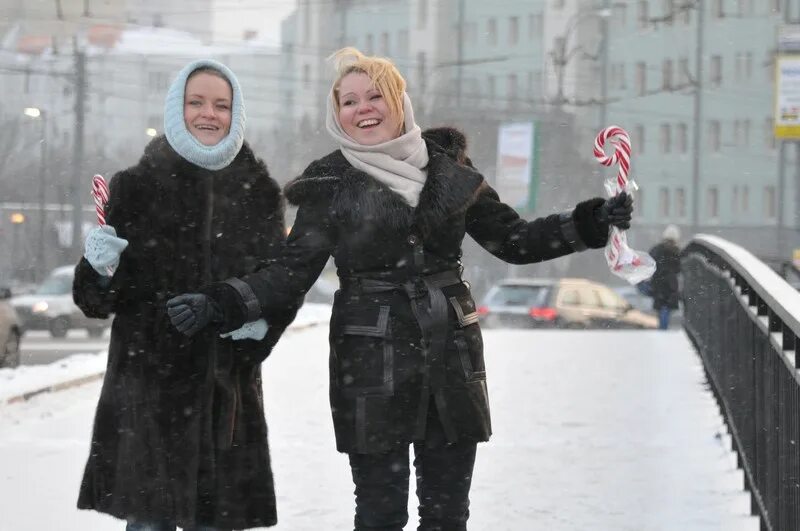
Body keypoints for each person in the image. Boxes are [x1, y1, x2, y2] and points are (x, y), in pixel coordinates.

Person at [166, 47, 634, 531]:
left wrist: (591, 221)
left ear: (398, 101)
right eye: (348, 101)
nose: (362, 109)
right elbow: (289, 272)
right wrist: (219, 302)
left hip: (450, 357)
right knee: (379, 515)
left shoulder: (452, 173)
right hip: (370, 363)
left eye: (374, 96)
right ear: (337, 113)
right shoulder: (328, 184)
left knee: (447, 514)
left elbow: (514, 240)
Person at [73, 59, 296, 530]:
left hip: (225, 393)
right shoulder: (134, 186)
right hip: (147, 393)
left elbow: (280, 284)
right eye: (196, 102)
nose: (208, 114)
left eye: (221, 104)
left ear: (236, 113)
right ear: (177, 108)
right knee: (149, 521)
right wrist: (98, 266)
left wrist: (253, 324)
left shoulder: (260, 192)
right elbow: (96, 302)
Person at [648, 224, 682, 330]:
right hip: (670, 285)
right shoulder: (677, 252)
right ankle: (663, 328)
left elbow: (649, 263)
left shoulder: (656, 250)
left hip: (658, 283)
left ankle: (662, 328)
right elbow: (679, 268)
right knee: (666, 308)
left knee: (662, 308)